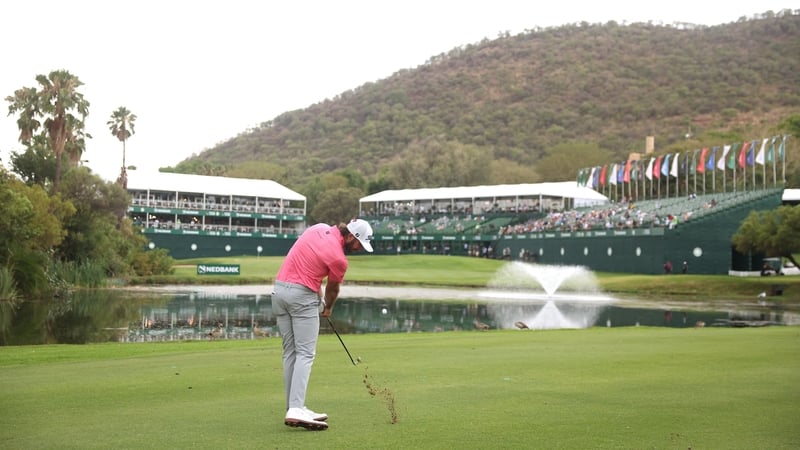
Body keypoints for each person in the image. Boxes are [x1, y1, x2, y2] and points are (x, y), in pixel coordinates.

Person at [272, 218, 374, 431]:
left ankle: (294, 406)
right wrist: (327, 308)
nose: (358, 249)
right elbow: (333, 289)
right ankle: (296, 408)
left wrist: (317, 294)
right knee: (305, 353)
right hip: (301, 297)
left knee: (290, 352)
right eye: (358, 244)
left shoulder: (318, 229)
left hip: (279, 291)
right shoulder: (339, 259)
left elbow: (308, 264)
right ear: (351, 236)